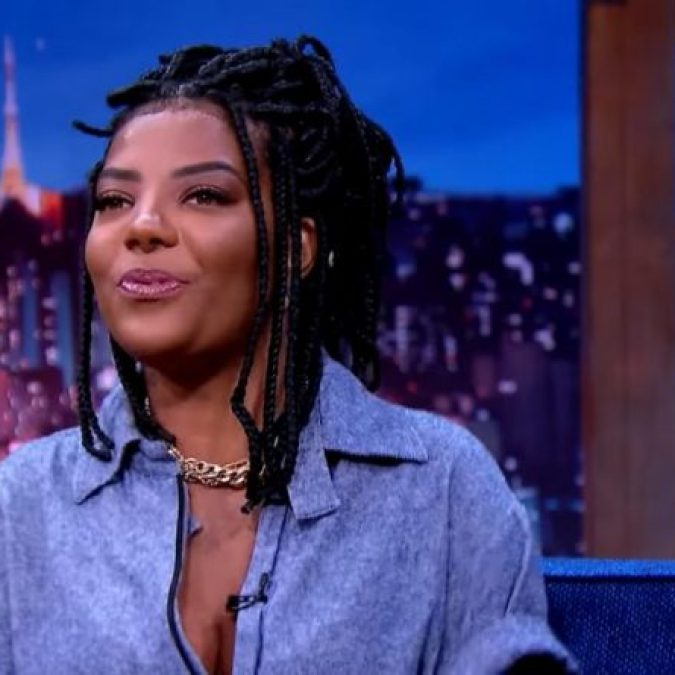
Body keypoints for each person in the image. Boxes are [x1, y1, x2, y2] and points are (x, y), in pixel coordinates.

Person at [0, 37, 575, 674]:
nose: (142, 226)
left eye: (203, 195)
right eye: (114, 201)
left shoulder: (441, 487)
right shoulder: (21, 506)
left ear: (295, 248)